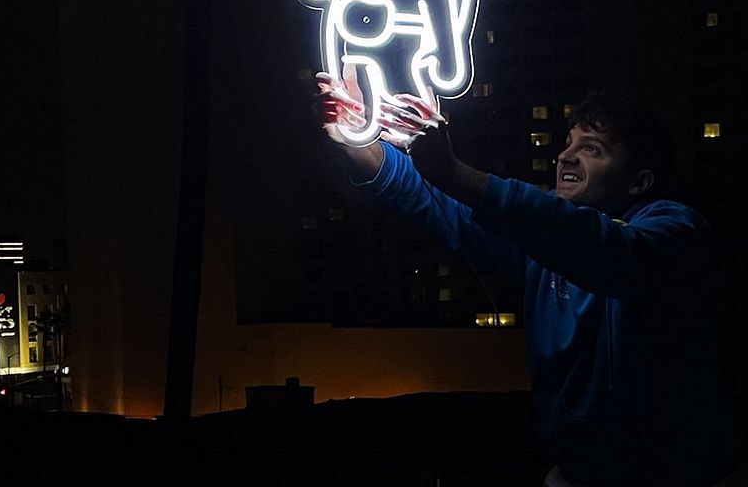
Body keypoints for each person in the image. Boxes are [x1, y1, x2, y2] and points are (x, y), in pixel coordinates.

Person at [316, 67, 743, 487]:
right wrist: (357, 138)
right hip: (575, 474)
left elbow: (611, 250)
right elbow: (439, 203)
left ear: (639, 181)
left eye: (592, 149)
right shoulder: (541, 235)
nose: (565, 156)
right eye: (568, 143)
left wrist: (455, 173)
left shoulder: (677, 233)